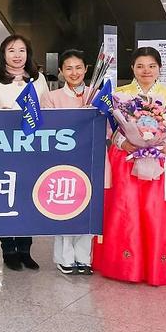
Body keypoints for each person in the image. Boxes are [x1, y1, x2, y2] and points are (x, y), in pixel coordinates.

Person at [92, 48, 166, 287]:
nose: (146, 71)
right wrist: (124, 143)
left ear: (159, 69)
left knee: (157, 211)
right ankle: (127, 267)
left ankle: (159, 266)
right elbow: (110, 129)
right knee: (127, 210)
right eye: (140, 66)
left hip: (161, 161)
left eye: (152, 66)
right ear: (132, 68)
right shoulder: (120, 95)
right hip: (127, 160)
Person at [0, 34, 51, 272]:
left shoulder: (38, 79)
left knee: (28, 197)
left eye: (22, 50)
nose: (17, 55)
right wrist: (1, 114)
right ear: (3, 54)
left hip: (32, 148)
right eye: (11, 50)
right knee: (6, 197)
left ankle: (25, 250)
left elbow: (46, 109)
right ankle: (8, 249)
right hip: (3, 148)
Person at [42, 50, 102, 275]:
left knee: (89, 207)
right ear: (60, 71)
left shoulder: (98, 95)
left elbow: (108, 129)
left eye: (78, 68)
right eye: (68, 68)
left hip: (92, 158)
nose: (74, 73)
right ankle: (65, 257)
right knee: (65, 205)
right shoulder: (51, 97)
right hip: (63, 161)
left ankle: (84, 257)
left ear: (86, 69)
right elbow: (48, 128)